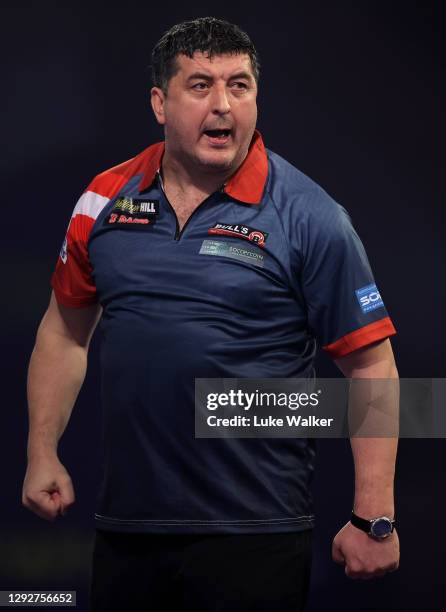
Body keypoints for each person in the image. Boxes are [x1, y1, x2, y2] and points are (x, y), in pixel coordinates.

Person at [22, 16, 400, 612]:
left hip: (256, 538)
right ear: (160, 103)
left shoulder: (312, 217)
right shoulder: (103, 198)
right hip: (127, 530)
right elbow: (63, 332)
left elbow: (373, 370)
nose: (223, 105)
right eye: (200, 86)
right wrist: (42, 450)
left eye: (240, 86)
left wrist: (374, 515)